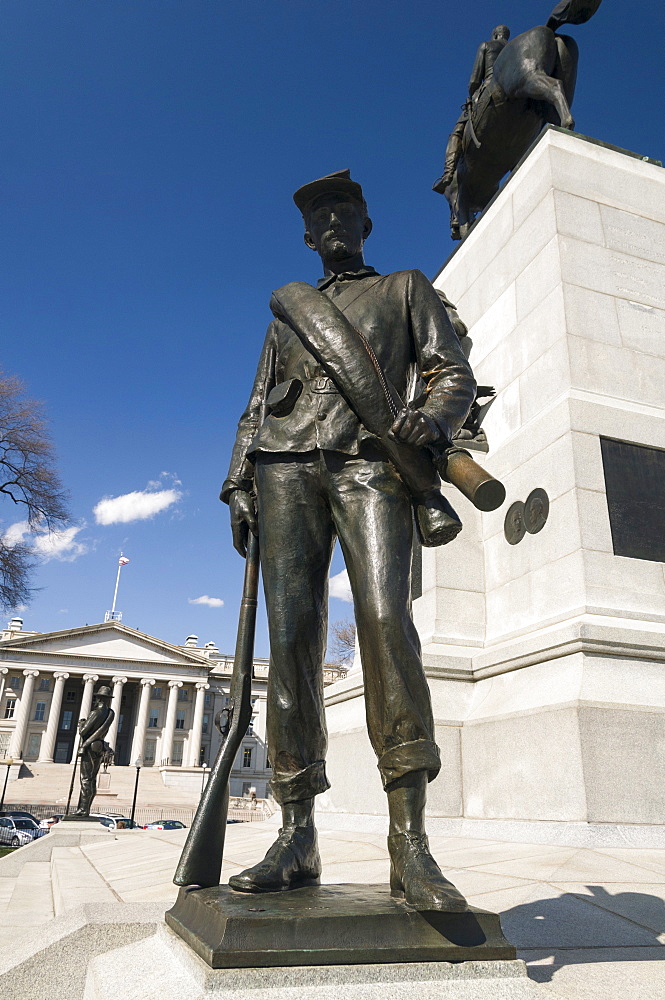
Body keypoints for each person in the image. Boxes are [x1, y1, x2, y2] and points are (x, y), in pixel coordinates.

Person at [221, 170, 475, 910]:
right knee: (292, 638)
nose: (333, 223)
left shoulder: (402, 288)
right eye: (320, 216)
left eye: (344, 212)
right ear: (307, 236)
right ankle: (295, 834)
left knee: (385, 622)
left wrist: (432, 419)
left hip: (372, 465)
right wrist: (237, 480)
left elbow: (449, 371)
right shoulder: (288, 314)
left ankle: (410, 843)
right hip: (284, 466)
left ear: (365, 224)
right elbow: (255, 403)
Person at [433, 25, 510, 194]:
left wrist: (472, 94)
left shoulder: (487, 45)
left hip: (489, 86)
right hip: (512, 87)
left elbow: (475, 80)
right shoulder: (513, 48)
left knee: (456, 133)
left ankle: (448, 173)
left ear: (495, 35)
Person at [74, 685, 114, 816]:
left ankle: (83, 810)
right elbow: (101, 731)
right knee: (92, 779)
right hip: (99, 746)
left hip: (89, 746)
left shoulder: (95, 712)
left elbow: (84, 732)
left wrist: (81, 724)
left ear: (99, 698)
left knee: (85, 779)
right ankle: (86, 808)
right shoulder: (110, 713)